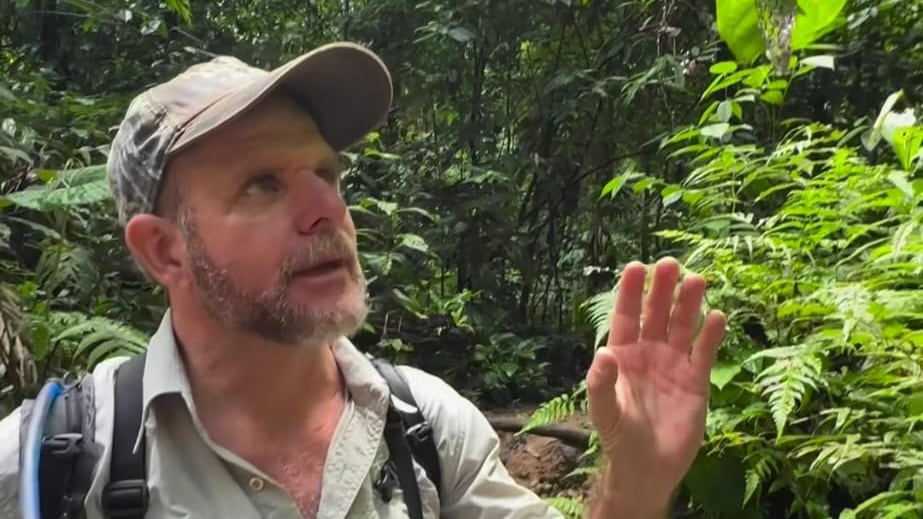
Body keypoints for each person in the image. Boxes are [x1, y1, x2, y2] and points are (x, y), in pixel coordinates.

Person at [0, 41, 726, 518]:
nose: (327, 210)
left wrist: (635, 481)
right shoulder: (59, 461)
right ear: (164, 251)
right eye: (261, 184)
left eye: (325, 172)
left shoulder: (427, 429)